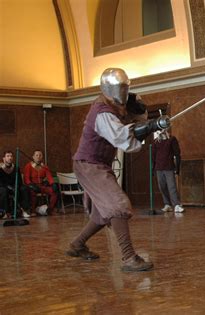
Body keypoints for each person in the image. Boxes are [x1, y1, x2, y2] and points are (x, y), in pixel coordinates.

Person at [66, 67, 170, 272]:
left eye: (125, 87)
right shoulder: (102, 112)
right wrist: (151, 126)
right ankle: (129, 257)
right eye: (118, 87)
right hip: (89, 165)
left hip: (98, 165)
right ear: (107, 88)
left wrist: (140, 112)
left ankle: (77, 245)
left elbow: (131, 129)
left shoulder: (117, 107)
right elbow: (123, 138)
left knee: (101, 214)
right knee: (118, 205)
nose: (122, 91)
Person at [152, 129, 184, 213]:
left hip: (169, 167)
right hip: (159, 168)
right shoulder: (156, 142)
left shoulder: (172, 140)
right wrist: (153, 168)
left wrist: (177, 168)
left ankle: (176, 205)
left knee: (171, 186)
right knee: (162, 187)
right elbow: (153, 156)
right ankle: (167, 204)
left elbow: (177, 154)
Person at [23, 150, 58, 215]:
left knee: (54, 191)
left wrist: (52, 183)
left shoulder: (44, 166)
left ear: (42, 157)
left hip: (42, 186)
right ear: (33, 157)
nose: (38, 157)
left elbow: (49, 177)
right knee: (32, 193)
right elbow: (26, 179)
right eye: (36, 155)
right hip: (32, 186)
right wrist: (31, 185)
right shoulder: (28, 166)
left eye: (40, 155)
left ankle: (50, 209)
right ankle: (33, 210)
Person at [0, 150, 31, 218]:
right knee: (3, 191)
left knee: (24, 189)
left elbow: (19, 181)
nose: (10, 158)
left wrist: (15, 187)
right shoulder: (1, 169)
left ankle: (24, 210)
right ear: (4, 158)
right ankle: (5, 212)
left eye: (11, 156)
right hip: (4, 187)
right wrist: (9, 187)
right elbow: (1, 183)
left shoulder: (16, 168)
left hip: (15, 186)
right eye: (8, 156)